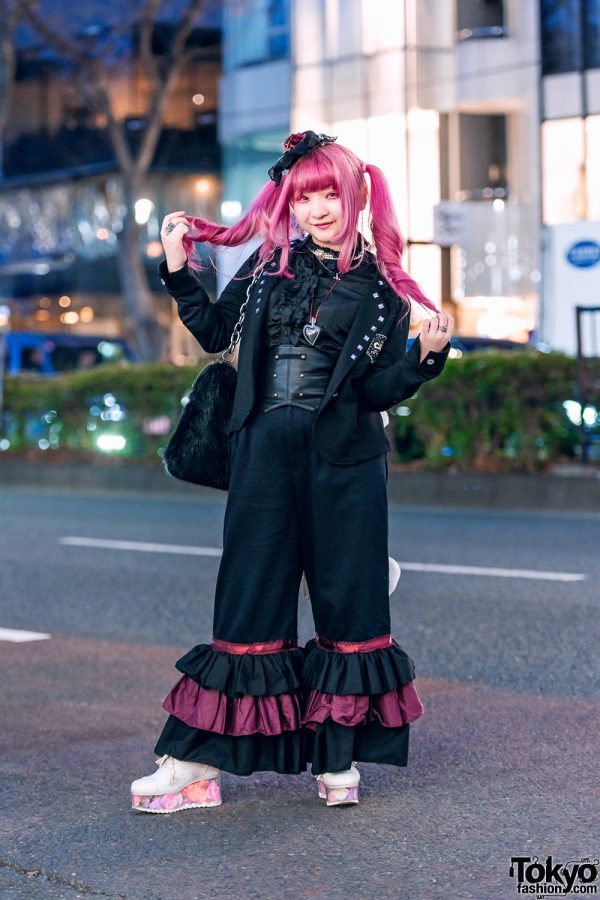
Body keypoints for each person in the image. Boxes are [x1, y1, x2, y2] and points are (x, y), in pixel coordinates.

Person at [131, 131, 453, 813]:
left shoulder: (382, 285)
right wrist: (177, 267)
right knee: (246, 605)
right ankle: (193, 766)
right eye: (302, 197)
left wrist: (424, 358)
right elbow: (215, 333)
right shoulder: (266, 267)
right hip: (260, 460)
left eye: (327, 194)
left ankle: (338, 765)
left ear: (353, 194)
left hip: (345, 468)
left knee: (348, 608)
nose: (315, 210)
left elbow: (373, 389)